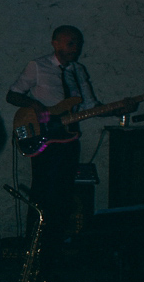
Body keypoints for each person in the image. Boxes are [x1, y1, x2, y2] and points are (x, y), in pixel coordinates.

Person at [6, 25, 100, 268]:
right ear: (55, 43)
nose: (75, 48)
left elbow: (90, 106)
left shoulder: (78, 71)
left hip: (69, 140)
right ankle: (33, 250)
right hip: (45, 140)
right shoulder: (38, 66)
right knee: (42, 195)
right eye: (70, 43)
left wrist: (117, 109)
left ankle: (52, 252)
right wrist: (35, 106)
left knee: (63, 196)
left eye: (78, 43)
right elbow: (13, 94)